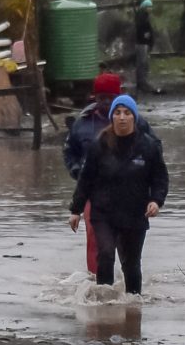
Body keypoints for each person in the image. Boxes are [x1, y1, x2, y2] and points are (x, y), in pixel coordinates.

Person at [69, 95, 168, 294]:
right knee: (105, 254)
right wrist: (76, 210)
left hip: (134, 213)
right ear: (112, 117)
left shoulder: (148, 147)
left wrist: (156, 201)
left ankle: (133, 307)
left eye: (127, 113)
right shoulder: (100, 145)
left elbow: (160, 178)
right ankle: (105, 302)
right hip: (103, 213)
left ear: (134, 117)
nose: (122, 117)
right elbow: (86, 180)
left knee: (131, 264)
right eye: (117, 113)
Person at [134, 0, 158, 94]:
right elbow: (141, 30)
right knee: (142, 63)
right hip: (142, 43)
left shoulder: (144, 17)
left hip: (144, 43)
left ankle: (142, 81)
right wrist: (146, 35)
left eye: (151, 7)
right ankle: (141, 82)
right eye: (148, 7)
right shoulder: (142, 18)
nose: (150, 9)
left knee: (143, 63)